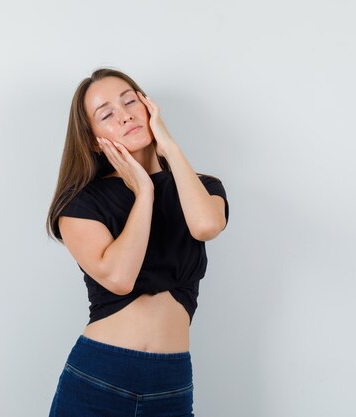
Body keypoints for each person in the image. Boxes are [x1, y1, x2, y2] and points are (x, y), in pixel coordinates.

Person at [45, 67, 229, 417]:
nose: (125, 114)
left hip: (171, 382)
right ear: (92, 138)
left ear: (148, 106)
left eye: (130, 101)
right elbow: (119, 277)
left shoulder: (202, 187)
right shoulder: (81, 204)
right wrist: (143, 190)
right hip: (99, 377)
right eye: (107, 114)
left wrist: (170, 147)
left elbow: (206, 225)